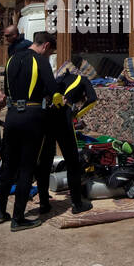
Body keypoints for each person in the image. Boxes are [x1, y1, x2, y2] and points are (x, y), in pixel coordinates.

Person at [0, 32, 57, 231]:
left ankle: (0, 211)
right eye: (50, 53)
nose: (48, 56)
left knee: (8, 165)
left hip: (12, 115)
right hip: (32, 116)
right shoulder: (40, 61)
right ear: (46, 46)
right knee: (26, 168)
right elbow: (53, 90)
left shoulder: (11, 59)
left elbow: (5, 89)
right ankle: (18, 218)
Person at [35, 63, 94, 216]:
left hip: (47, 118)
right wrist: (76, 115)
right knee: (72, 162)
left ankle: (43, 203)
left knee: (45, 162)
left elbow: (44, 95)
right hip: (64, 120)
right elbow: (93, 100)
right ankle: (77, 203)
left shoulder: (58, 80)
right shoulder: (83, 80)